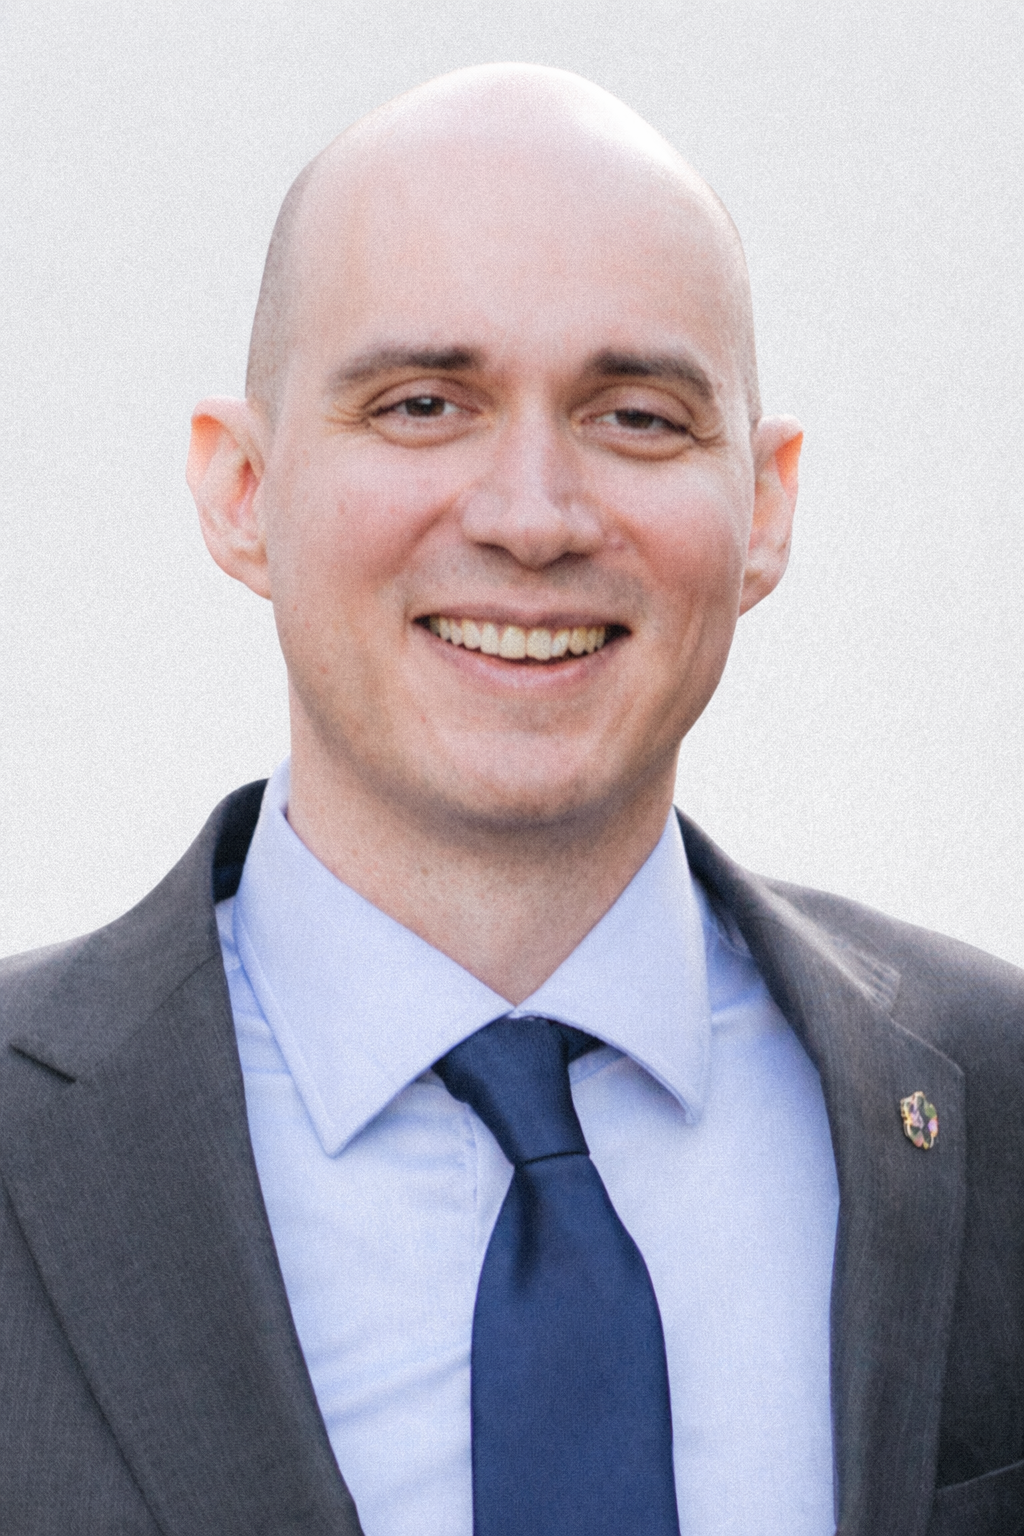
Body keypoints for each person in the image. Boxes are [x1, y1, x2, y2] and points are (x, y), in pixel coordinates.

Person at [1, 63, 1021, 1536]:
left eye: (639, 417)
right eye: (423, 404)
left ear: (767, 505)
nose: (533, 516)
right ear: (240, 489)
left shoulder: (998, 1102)